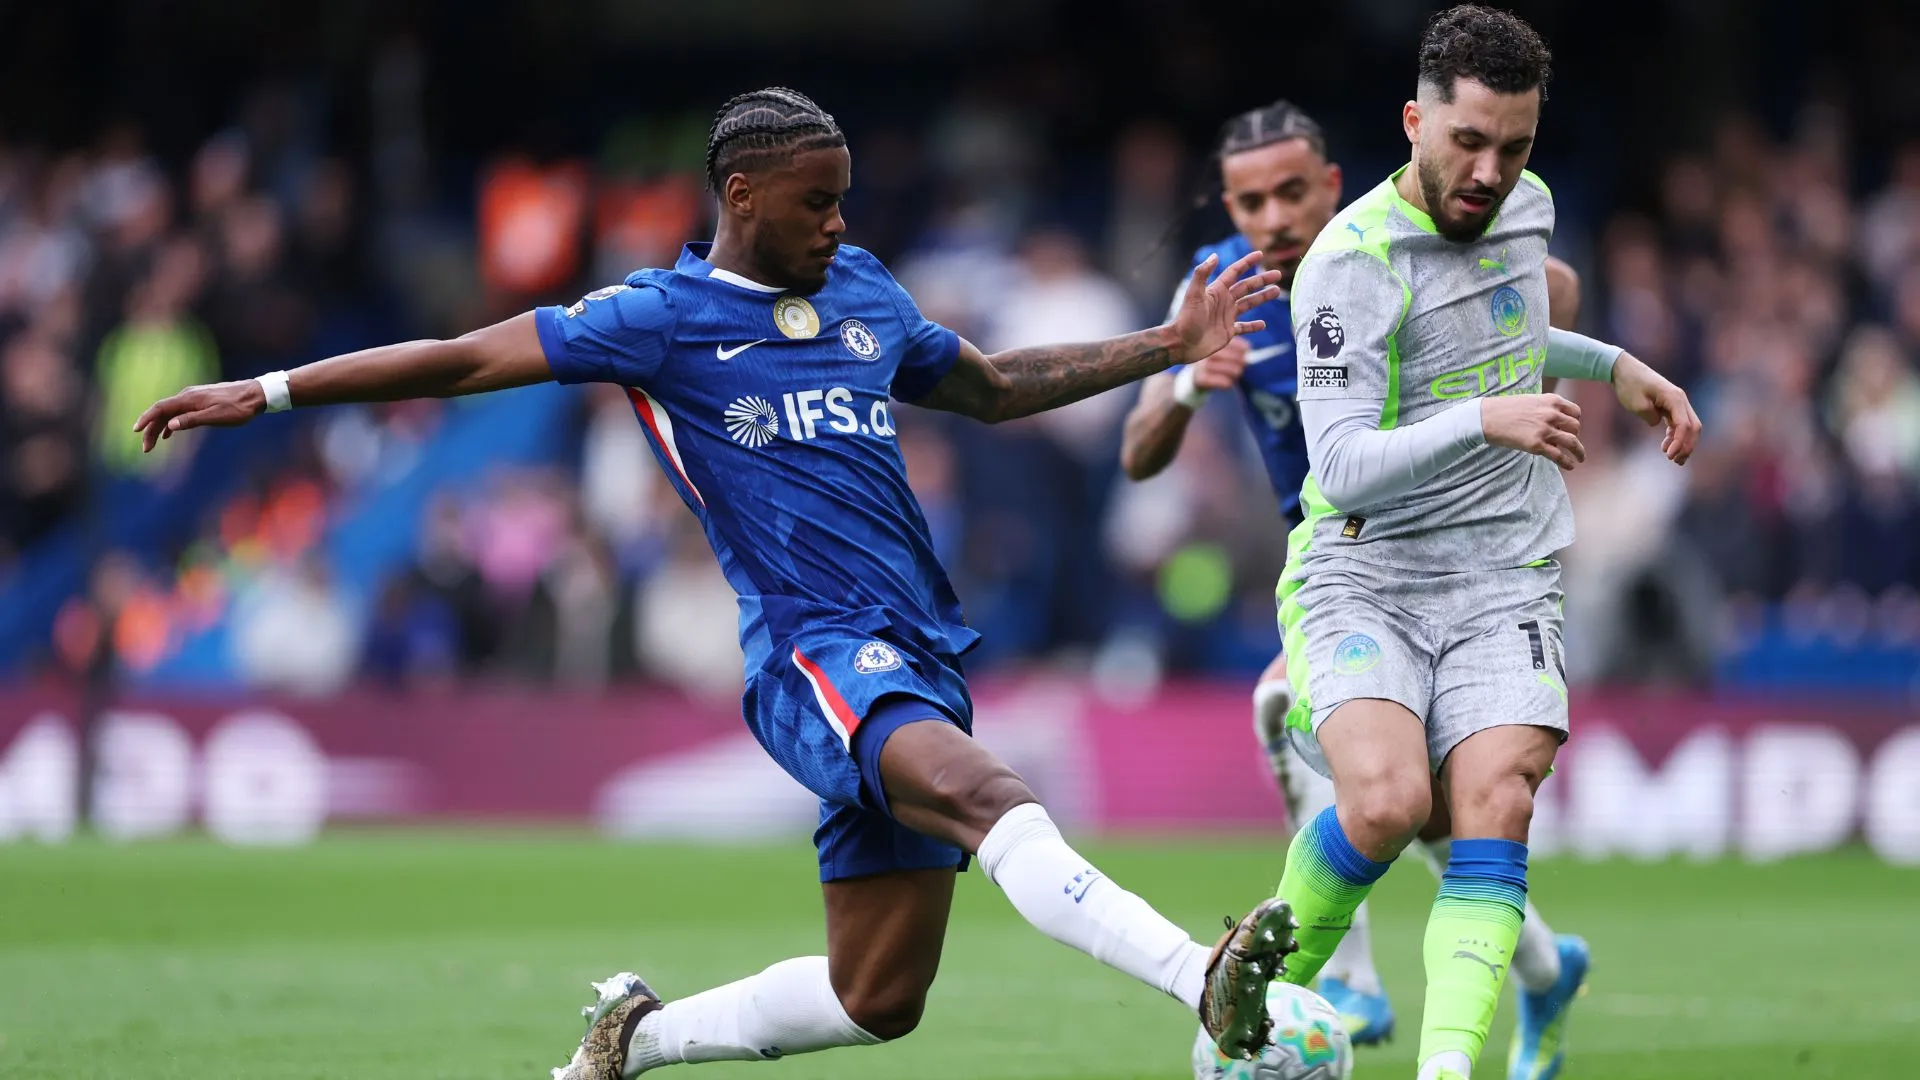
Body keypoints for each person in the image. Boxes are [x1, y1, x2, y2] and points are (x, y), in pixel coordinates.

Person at [133, 87, 1303, 1078]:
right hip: (813, 655)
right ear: (742, 197)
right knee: (992, 798)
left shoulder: (864, 294)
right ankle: (1198, 980)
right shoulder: (660, 319)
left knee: (877, 998)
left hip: (916, 651)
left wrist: (1162, 345)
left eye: (843, 198)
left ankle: (630, 1042)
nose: (839, 223)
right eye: (816, 202)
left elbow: (991, 387)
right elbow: (462, 359)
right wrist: (269, 393)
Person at [1254, 9, 1700, 1080]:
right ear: (1416, 121)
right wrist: (1491, 419)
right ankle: (1252, 999)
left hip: (1503, 568)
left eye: (1516, 146)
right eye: (1469, 141)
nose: (1491, 170)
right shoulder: (1346, 264)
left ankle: (1448, 1067)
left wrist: (1611, 365)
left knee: (1497, 801)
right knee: (1389, 805)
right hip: (1368, 570)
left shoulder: (1528, 211)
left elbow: (1500, 336)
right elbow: (1342, 463)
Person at [1119, 99, 1593, 1074]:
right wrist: (1179, 383)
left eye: (1293, 191)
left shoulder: (1388, 255)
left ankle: (1374, 979)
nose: (1273, 218)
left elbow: (1556, 287)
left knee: (1395, 789)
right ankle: (1493, 972)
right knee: (1403, 802)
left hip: (1459, 565)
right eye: (1251, 200)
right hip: (1339, 574)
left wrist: (1527, 381)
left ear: (1332, 186)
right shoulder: (1221, 292)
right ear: (1229, 207)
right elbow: (1135, 456)